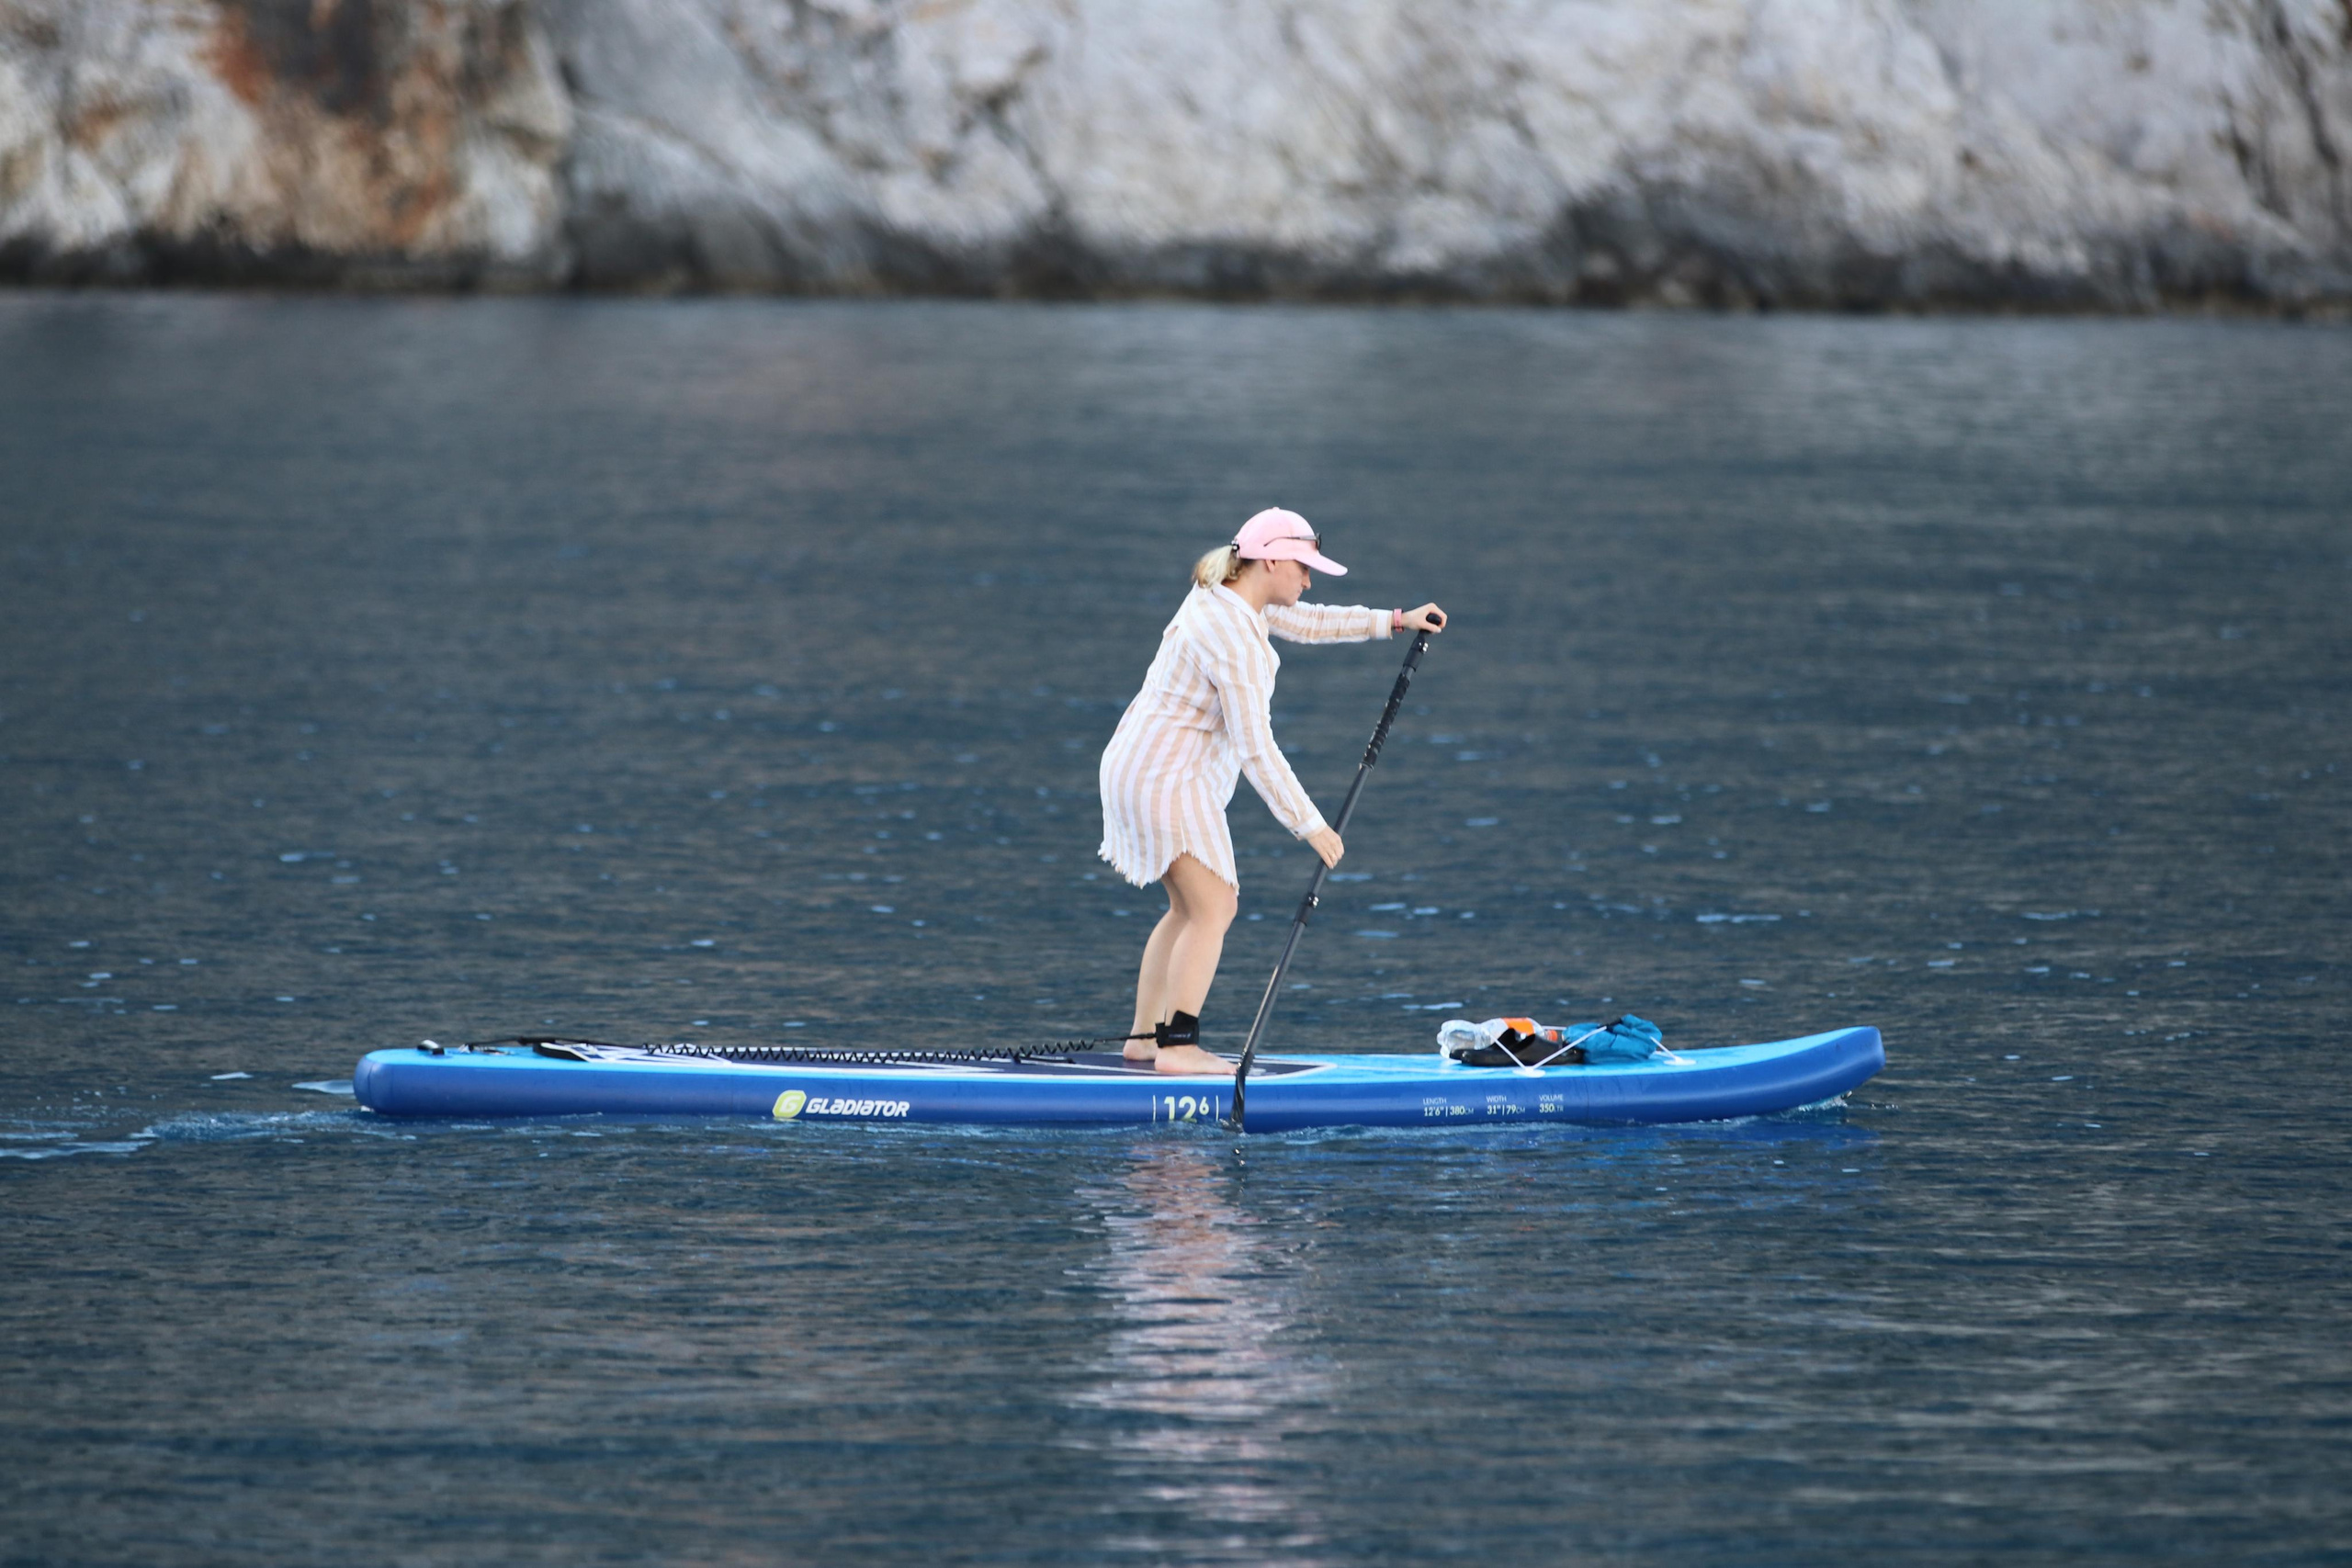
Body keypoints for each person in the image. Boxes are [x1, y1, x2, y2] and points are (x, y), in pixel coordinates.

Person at [1098, 508, 1448, 1075]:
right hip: (1164, 776)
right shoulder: (1230, 634)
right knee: (1216, 906)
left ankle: (1145, 1040)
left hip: (1136, 765)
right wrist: (1311, 825)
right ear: (1271, 560)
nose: (1308, 581)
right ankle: (1178, 1048)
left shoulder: (1226, 595)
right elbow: (1256, 748)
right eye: (1304, 568)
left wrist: (1395, 620)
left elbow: (1308, 622)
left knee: (1188, 906)